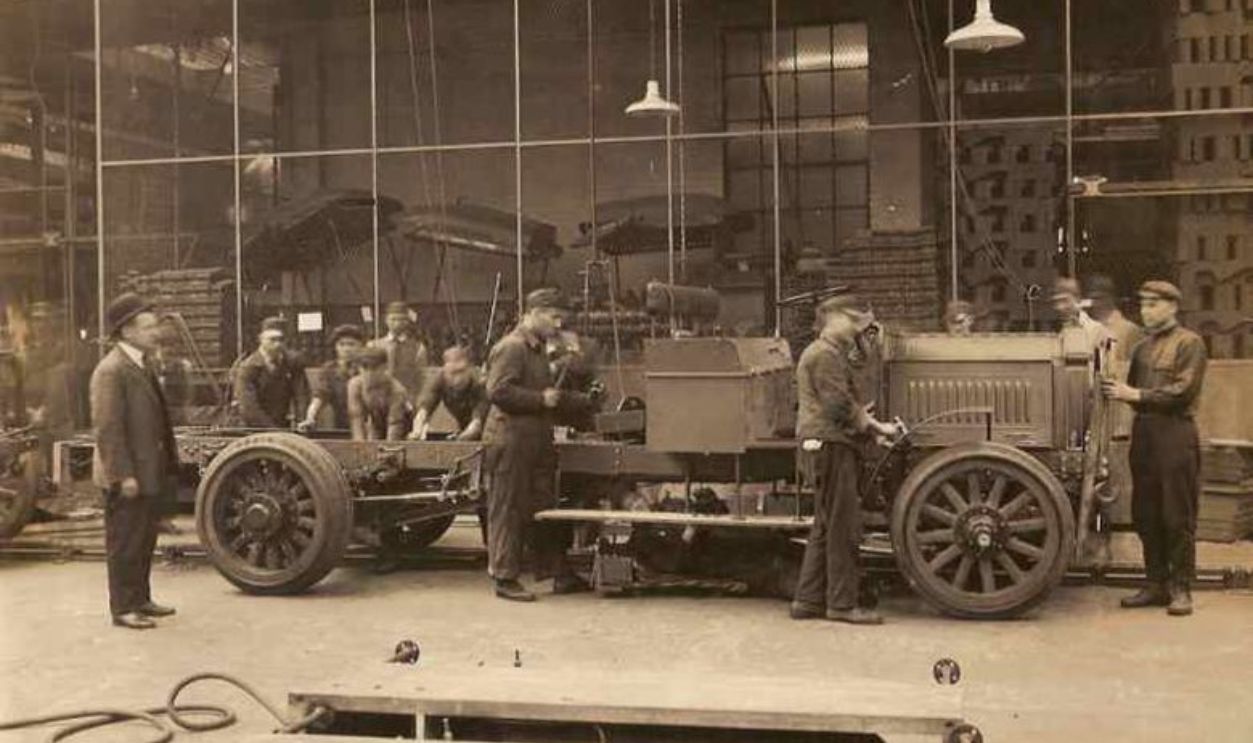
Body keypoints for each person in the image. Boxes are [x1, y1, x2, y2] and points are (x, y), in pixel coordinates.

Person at [790, 294, 900, 625]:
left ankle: (806, 601)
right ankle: (841, 605)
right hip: (829, 444)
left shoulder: (830, 353)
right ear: (832, 318)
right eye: (853, 322)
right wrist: (875, 427)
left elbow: (848, 397)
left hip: (825, 443)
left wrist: (866, 341)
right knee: (844, 528)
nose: (857, 330)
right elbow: (839, 406)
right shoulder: (824, 355)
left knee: (826, 526)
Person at [1102, 280, 1208, 617]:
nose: (1146, 311)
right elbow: (1132, 392)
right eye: (1143, 304)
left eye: (1154, 304)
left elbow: (1183, 392)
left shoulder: (1190, 343)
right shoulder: (1143, 349)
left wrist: (1135, 395)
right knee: (1146, 513)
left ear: (1172, 307)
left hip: (1175, 434)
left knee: (1177, 514)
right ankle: (1155, 583)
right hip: (1145, 434)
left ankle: (1181, 589)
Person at [483, 288, 596, 601]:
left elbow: (550, 398)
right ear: (532, 313)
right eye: (553, 316)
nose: (558, 324)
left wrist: (585, 401)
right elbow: (498, 392)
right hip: (511, 439)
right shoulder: (513, 348)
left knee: (543, 507)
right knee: (508, 508)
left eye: (561, 318)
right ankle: (504, 578)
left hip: (536, 439)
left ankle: (558, 572)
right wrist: (539, 399)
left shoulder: (538, 350)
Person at [89, 293, 178, 630]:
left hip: (147, 471)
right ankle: (123, 608)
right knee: (125, 541)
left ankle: (140, 598)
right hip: (127, 476)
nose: (156, 331)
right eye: (148, 325)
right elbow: (108, 429)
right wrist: (122, 475)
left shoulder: (140, 363)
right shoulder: (111, 371)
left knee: (143, 539)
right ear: (127, 331)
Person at [234, 317, 307, 428]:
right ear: (260, 339)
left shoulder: (292, 363)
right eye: (272, 340)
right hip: (253, 429)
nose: (278, 344)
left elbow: (301, 395)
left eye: (281, 340)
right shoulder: (248, 367)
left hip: (283, 425)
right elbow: (249, 407)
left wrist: (301, 422)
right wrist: (273, 431)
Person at [409, 345, 489, 441]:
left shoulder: (480, 384)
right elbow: (423, 410)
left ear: (470, 368)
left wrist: (458, 440)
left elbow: (477, 423)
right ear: (445, 370)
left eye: (461, 371)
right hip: (465, 426)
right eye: (453, 373)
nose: (458, 379)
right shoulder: (438, 379)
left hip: (490, 427)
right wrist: (417, 431)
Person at [299, 324, 365, 432]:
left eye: (351, 344)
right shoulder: (329, 370)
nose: (346, 349)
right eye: (341, 344)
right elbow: (320, 396)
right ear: (335, 347)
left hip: (367, 425)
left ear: (361, 346)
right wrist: (310, 417)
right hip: (341, 425)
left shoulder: (367, 368)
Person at [371, 301, 430, 405]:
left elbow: (422, 378)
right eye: (393, 319)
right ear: (386, 320)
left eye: (402, 319)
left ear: (407, 321)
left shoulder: (418, 348)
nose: (397, 323)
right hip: (380, 400)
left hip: (407, 400)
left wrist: (420, 402)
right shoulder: (374, 346)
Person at [347, 346, 409, 441]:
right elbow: (356, 418)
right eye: (365, 368)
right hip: (377, 425)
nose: (369, 374)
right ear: (359, 368)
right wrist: (360, 449)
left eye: (374, 368)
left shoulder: (397, 391)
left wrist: (388, 450)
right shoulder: (354, 385)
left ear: (385, 367)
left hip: (404, 427)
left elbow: (395, 424)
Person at [1051, 277, 1109, 353]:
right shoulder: (1051, 331)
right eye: (1056, 302)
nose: (1059, 307)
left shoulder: (1096, 330)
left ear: (1077, 299)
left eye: (1065, 301)